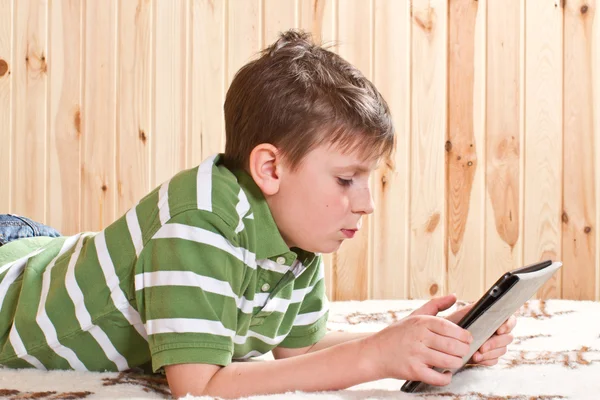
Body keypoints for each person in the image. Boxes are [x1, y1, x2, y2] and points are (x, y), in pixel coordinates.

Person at [0, 30, 515, 398]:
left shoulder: (296, 237)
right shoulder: (201, 224)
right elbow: (198, 387)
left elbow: (300, 350)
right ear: (270, 167)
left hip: (48, 253)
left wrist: (419, 342)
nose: (366, 202)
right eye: (345, 179)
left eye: (369, 179)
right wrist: (372, 358)